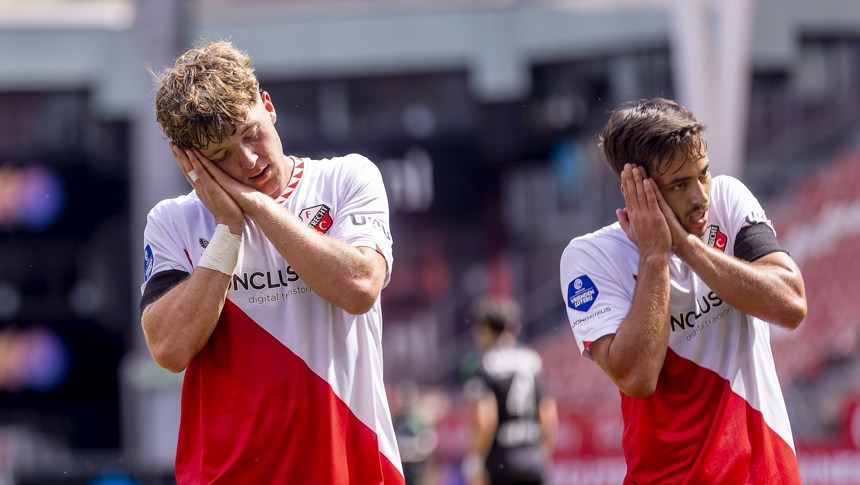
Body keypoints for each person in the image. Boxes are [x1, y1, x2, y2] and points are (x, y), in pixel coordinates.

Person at [139, 41, 404, 484]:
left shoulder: (347, 178)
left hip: (351, 470)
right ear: (187, 159)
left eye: (249, 133)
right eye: (221, 154)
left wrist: (255, 207)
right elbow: (168, 350)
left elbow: (359, 288)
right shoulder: (172, 222)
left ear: (269, 105)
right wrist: (228, 229)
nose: (248, 159)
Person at [559, 97, 807, 483]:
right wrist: (655, 255)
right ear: (637, 189)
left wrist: (686, 247)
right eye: (679, 184)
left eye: (702, 174)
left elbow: (791, 305)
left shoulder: (727, 199)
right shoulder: (589, 257)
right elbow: (637, 377)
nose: (700, 196)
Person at [460, 296, 558, 485]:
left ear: (486, 329)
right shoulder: (532, 359)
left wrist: (474, 463)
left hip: (500, 463)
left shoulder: (483, 363)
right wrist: (541, 455)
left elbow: (485, 421)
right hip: (532, 460)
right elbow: (548, 414)